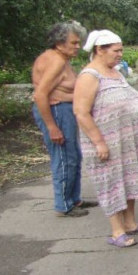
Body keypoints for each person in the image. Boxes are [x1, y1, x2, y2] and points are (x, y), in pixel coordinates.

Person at [73, 30, 138, 248]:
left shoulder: (115, 72)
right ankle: (117, 231)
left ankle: (130, 222)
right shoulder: (89, 76)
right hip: (107, 144)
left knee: (129, 178)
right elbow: (81, 112)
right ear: (99, 50)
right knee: (112, 182)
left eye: (121, 50)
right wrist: (99, 142)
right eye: (116, 50)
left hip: (126, 142)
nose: (120, 54)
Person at [31, 21, 94, 218]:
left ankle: (74, 199)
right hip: (56, 111)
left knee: (73, 155)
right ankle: (64, 205)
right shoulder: (55, 61)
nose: (78, 46)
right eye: (74, 43)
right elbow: (40, 95)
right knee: (64, 158)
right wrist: (51, 126)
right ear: (59, 44)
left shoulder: (60, 59)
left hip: (64, 111)